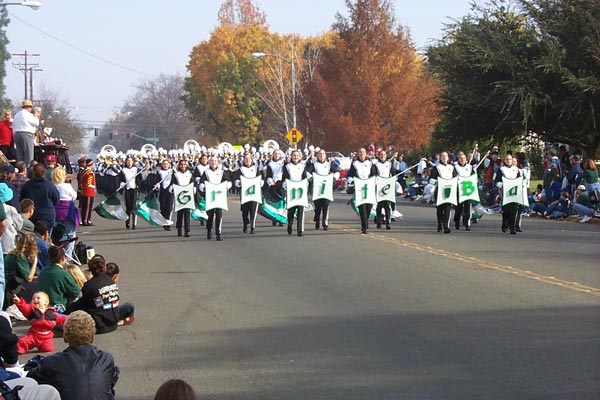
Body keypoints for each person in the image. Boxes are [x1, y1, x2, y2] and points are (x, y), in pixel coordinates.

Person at [27, 310, 120, 400]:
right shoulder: (106, 359)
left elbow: (31, 377)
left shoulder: (53, 362)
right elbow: (111, 381)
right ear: (92, 337)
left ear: (65, 337)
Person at [67, 256, 134, 333]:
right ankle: (124, 319)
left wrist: (68, 310)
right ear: (104, 267)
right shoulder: (111, 281)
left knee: (77, 308)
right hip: (113, 320)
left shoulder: (89, 285)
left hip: (99, 324)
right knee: (129, 306)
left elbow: (80, 303)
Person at [36, 246, 80, 311]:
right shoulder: (62, 273)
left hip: (43, 307)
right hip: (58, 309)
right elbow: (76, 292)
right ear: (63, 257)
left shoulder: (42, 271)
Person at [199, 157, 231, 241]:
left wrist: (227, 185)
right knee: (210, 215)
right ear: (209, 162)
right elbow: (201, 183)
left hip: (219, 197)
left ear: (217, 163)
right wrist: (204, 187)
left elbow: (228, 181)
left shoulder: (221, 172)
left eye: (215, 161)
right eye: (212, 161)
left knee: (219, 215)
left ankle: (218, 233)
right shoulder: (206, 172)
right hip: (210, 197)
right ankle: (209, 230)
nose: (213, 162)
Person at [3, 233, 37, 309]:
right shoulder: (20, 257)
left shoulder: (13, 254)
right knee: (37, 285)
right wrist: (35, 262)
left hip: (7, 284)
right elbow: (29, 278)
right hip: (10, 288)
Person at [346, 147, 376, 234]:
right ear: (358, 154)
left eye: (363, 152)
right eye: (360, 152)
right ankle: (364, 226)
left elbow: (374, 174)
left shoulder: (370, 163)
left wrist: (374, 180)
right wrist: (351, 180)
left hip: (368, 186)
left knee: (369, 206)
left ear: (365, 153)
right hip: (359, 187)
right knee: (362, 207)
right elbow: (350, 175)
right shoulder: (355, 163)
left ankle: (365, 221)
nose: (362, 154)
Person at [20, 164, 60, 229]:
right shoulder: (49, 185)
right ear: (44, 172)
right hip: (47, 216)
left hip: (32, 215)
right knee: (47, 236)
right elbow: (56, 200)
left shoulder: (27, 185)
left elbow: (22, 200)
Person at [51, 167, 79, 257]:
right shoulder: (67, 186)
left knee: (57, 235)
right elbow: (74, 196)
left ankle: (57, 254)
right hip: (67, 212)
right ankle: (68, 256)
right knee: (71, 235)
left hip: (56, 212)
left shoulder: (52, 186)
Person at [281, 149, 308, 237]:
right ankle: (290, 224)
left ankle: (300, 230)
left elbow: (304, 177)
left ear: (299, 157)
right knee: (291, 211)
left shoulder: (303, 166)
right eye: (294, 155)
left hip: (300, 191)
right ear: (291, 157)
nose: (295, 157)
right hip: (291, 191)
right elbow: (284, 178)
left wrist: (305, 184)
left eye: (297, 155)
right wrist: (285, 184)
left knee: (301, 210)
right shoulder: (287, 166)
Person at [233, 151, 261, 234]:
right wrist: (238, 183)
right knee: (245, 211)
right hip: (245, 194)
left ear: (251, 159)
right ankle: (245, 223)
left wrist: (261, 182)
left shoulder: (256, 169)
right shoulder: (240, 170)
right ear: (243, 160)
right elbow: (236, 180)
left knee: (253, 210)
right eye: (246, 159)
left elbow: (260, 177)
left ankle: (253, 227)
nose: (247, 160)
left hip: (254, 193)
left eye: (249, 158)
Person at [306, 149, 334, 231]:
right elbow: (307, 172)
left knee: (326, 205)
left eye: (323, 154)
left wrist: (334, 177)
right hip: (317, 189)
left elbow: (336, 171)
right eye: (320, 154)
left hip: (326, 188)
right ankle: (317, 218)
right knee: (318, 207)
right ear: (317, 155)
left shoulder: (329, 164)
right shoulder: (314, 164)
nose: (322, 155)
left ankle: (325, 223)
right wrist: (311, 178)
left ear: (325, 155)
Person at [429, 151, 456, 233]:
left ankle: (446, 226)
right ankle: (440, 223)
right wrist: (437, 182)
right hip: (439, 191)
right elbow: (430, 180)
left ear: (448, 158)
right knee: (440, 210)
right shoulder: (436, 168)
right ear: (440, 158)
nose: (444, 158)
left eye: (446, 156)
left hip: (449, 190)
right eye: (443, 156)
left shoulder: (451, 167)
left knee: (448, 208)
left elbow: (455, 178)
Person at [495, 154, 522, 234]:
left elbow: (520, 180)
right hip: (505, 193)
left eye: (510, 159)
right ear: (504, 160)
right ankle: (505, 224)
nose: (509, 161)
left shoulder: (516, 170)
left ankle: (512, 227)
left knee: (514, 209)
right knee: (506, 210)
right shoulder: (501, 170)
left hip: (514, 193)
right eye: (507, 159)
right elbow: (497, 181)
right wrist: (502, 185)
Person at [373, 149, 398, 230]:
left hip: (387, 186)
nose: (382, 156)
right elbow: (373, 174)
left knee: (387, 205)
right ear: (378, 156)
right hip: (379, 186)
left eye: (384, 154)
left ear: (386, 156)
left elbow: (394, 172)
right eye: (381, 155)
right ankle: (379, 221)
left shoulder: (389, 164)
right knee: (379, 205)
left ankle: (388, 222)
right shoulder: (376, 165)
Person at [104, 262, 135, 326]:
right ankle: (125, 320)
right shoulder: (112, 286)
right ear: (115, 276)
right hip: (109, 314)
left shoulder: (98, 283)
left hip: (99, 313)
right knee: (130, 306)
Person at [12, 100, 39, 165]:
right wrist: (35, 116)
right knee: (28, 154)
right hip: (26, 134)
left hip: (17, 134)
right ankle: (28, 169)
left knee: (20, 154)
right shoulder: (27, 114)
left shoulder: (17, 115)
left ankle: (19, 168)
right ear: (29, 107)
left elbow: (13, 126)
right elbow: (36, 123)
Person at [118, 156, 142, 230]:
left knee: (134, 207)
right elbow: (121, 179)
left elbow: (140, 178)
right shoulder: (123, 170)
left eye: (131, 161)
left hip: (134, 189)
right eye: (128, 161)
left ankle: (134, 224)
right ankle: (127, 222)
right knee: (128, 208)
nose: (129, 162)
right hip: (127, 190)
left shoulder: (136, 170)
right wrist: (122, 183)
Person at [172, 159, 193, 237]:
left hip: (187, 196)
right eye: (181, 164)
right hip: (179, 196)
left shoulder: (190, 174)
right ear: (179, 166)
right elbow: (173, 183)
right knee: (180, 214)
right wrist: (172, 188)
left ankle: (187, 231)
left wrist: (194, 188)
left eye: (184, 164)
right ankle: (179, 229)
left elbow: (192, 183)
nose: (183, 166)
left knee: (187, 213)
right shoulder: (176, 174)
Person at [454, 151, 474, 231]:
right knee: (459, 207)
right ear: (458, 159)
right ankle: (457, 221)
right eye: (461, 158)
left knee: (468, 206)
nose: (463, 160)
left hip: (468, 189)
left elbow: (473, 176)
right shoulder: (455, 167)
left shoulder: (470, 167)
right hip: (459, 189)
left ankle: (466, 223)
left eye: (464, 158)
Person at [154, 159, 174, 231]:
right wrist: (157, 184)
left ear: (169, 165)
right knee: (163, 207)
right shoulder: (159, 172)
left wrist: (172, 186)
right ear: (162, 165)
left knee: (169, 208)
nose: (165, 165)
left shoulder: (172, 172)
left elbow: (175, 180)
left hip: (170, 192)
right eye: (164, 164)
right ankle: (164, 219)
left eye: (167, 164)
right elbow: (157, 180)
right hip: (163, 191)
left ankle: (167, 223)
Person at [79, 159, 96, 226]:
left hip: (85, 191)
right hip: (88, 191)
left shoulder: (84, 171)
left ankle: (85, 219)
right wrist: (93, 186)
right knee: (87, 207)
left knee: (85, 207)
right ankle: (86, 220)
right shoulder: (89, 173)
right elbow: (89, 183)